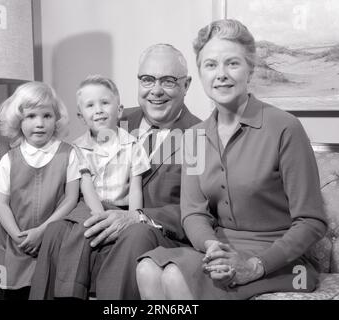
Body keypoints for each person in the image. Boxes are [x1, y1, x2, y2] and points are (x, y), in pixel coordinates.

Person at [136, 19, 327, 300]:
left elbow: (311, 221)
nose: (221, 74)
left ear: (250, 68)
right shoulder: (194, 136)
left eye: (232, 64)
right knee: (147, 268)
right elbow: (194, 212)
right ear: (199, 74)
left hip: (281, 261)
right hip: (220, 252)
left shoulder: (285, 128)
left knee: (176, 276)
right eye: (211, 65)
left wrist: (255, 266)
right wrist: (211, 246)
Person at [29, 44, 200, 299]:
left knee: (136, 234)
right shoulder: (114, 117)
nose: (156, 90)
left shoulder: (199, 136)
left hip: (152, 232)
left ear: (186, 85)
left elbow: (198, 208)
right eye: (147, 79)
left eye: (168, 81)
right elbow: (75, 159)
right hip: (100, 216)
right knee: (56, 231)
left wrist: (138, 216)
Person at [30, 75, 150, 298]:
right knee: (72, 229)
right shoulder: (77, 148)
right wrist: (100, 216)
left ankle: (74, 289)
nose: (99, 110)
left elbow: (135, 188)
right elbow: (86, 188)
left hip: (119, 209)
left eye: (105, 103)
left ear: (120, 109)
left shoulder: (133, 146)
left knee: (101, 228)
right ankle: (67, 291)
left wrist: (134, 216)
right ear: (81, 116)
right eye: (90, 105)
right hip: (89, 204)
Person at [0, 81, 80, 299]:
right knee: (11, 293)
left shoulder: (69, 154)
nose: (39, 123)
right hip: (12, 240)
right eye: (31, 116)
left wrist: (42, 232)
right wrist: (18, 236)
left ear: (56, 118)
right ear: (18, 121)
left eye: (47, 116)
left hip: (50, 238)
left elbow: (70, 200)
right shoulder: (8, 159)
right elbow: (1, 204)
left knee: (43, 290)